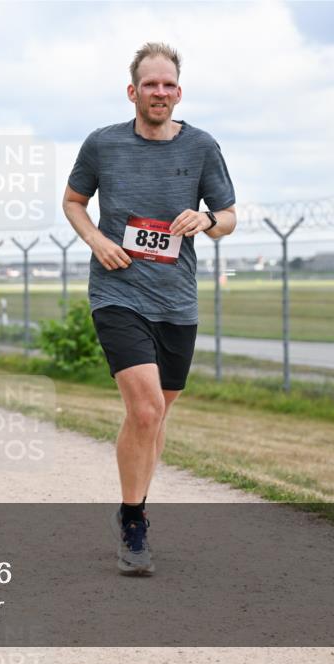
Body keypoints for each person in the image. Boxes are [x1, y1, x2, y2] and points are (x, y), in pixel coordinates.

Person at [63, 42, 236, 576]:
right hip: (118, 292)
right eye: (150, 84)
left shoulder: (203, 147)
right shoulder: (103, 145)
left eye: (168, 85)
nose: (159, 92)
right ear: (132, 91)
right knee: (144, 410)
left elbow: (229, 215)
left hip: (177, 299)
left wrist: (206, 222)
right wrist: (97, 242)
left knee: (158, 414)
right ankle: (134, 519)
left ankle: (134, 502)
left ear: (178, 92)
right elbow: (73, 201)